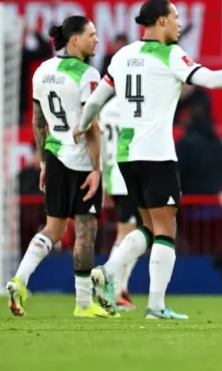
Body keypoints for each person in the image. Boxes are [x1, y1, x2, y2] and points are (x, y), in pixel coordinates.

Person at [74, 0, 222, 319]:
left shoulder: (122, 56)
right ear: (160, 21)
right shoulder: (170, 54)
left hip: (126, 157)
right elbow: (211, 80)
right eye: (174, 17)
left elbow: (94, 101)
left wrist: (83, 125)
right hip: (157, 154)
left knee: (148, 226)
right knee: (166, 230)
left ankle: (110, 269)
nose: (179, 23)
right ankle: (155, 304)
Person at [6, 15, 110, 318]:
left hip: (53, 157)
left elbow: (39, 122)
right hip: (80, 160)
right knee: (85, 228)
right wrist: (96, 169)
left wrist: (42, 161)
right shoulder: (88, 75)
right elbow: (91, 127)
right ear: (74, 40)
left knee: (53, 227)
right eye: (91, 35)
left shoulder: (42, 71)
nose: (96, 40)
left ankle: (20, 280)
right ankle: (83, 304)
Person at [99, 95, 143, 311]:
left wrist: (104, 178)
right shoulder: (132, 105)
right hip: (130, 173)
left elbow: (102, 144)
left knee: (129, 232)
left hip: (112, 175)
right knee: (129, 234)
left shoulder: (106, 108)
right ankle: (113, 286)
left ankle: (120, 288)